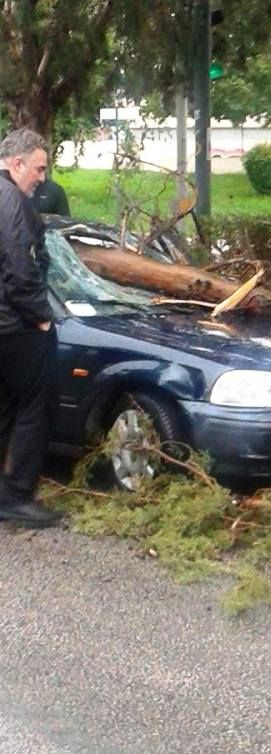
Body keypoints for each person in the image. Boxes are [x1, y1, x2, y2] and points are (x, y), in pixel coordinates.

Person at [0, 128, 62, 528]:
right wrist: (41, 315)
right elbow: (20, 269)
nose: (41, 178)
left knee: (4, 406)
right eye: (38, 169)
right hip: (15, 325)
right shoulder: (13, 203)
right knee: (37, 405)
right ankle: (17, 495)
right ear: (17, 163)